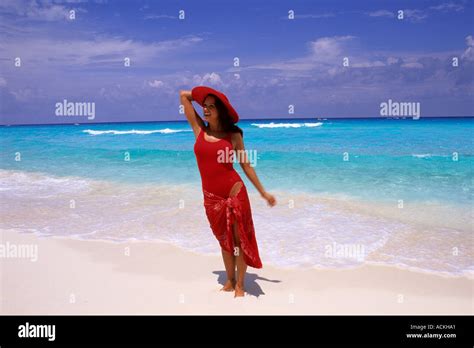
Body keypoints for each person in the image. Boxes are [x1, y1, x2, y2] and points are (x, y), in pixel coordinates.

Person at [180, 86, 276, 297]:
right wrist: (204, 94)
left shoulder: (233, 136)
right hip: (211, 197)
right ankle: (230, 280)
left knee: (239, 240)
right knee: (224, 240)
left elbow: (246, 165)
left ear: (220, 110)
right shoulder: (199, 130)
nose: (206, 110)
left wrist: (263, 193)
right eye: (204, 106)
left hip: (234, 191)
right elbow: (183, 96)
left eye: (211, 107)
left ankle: (240, 284)